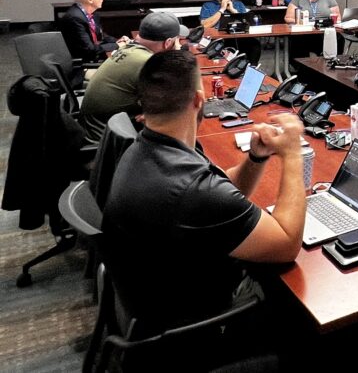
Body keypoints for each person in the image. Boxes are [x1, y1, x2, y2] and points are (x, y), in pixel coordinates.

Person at [102, 49, 306, 365]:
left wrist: (256, 157)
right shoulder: (191, 189)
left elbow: (224, 189)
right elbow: (287, 242)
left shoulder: (146, 148)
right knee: (316, 304)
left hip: (155, 302)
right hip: (199, 331)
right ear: (199, 99)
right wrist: (293, 154)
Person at [79, 12, 188, 144]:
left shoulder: (127, 49)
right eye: (176, 40)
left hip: (101, 132)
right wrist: (177, 55)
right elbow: (180, 98)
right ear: (168, 43)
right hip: (110, 144)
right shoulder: (148, 62)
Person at [59, 0, 129, 63]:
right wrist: (117, 45)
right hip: (84, 63)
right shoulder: (74, 18)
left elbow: (100, 35)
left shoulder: (92, 14)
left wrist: (117, 40)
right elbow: (89, 50)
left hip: (94, 57)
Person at [199, 0, 260, 64]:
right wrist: (222, 9)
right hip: (218, 40)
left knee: (255, 44)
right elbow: (205, 25)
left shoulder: (238, 4)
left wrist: (232, 10)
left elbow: (247, 23)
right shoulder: (208, 6)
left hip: (237, 38)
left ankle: (251, 69)